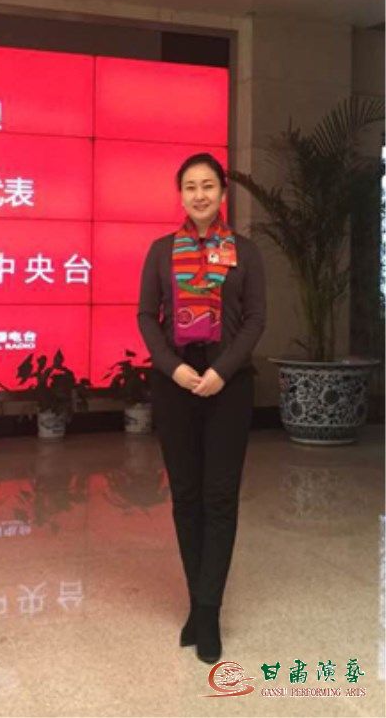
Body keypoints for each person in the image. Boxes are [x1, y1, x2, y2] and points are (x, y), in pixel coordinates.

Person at [137, 152, 266, 664]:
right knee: (187, 497)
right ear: (181, 194)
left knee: (220, 498)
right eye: (190, 186)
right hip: (176, 384)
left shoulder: (246, 252)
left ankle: (208, 611)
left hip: (227, 385)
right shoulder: (161, 251)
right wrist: (173, 368)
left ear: (222, 192)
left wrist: (222, 371)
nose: (199, 195)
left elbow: (255, 320)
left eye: (208, 185)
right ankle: (199, 600)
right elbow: (147, 316)